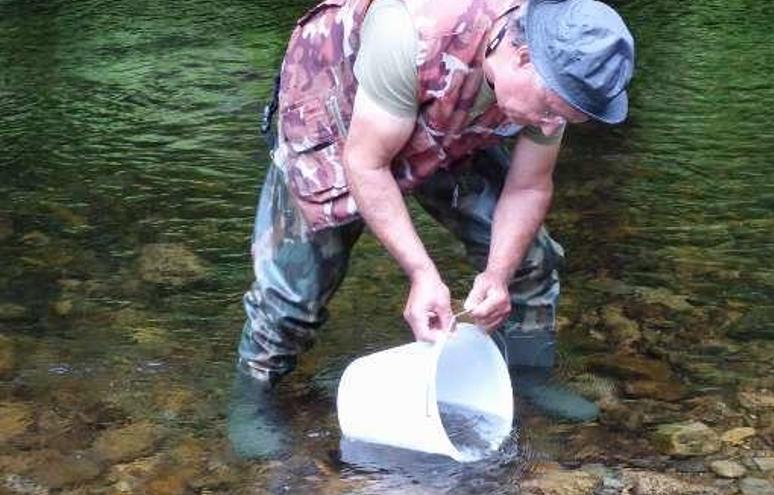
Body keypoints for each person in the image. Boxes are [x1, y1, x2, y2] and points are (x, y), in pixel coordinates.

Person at [228, 0, 634, 459]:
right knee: (296, 289)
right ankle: (253, 393)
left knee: (530, 257)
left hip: (454, 120)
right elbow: (366, 162)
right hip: (337, 107)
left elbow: (529, 187)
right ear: (522, 58)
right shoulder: (410, 28)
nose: (548, 124)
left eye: (561, 117)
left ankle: (527, 379)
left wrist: (497, 276)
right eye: (547, 110)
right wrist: (422, 274)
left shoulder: (555, 80)